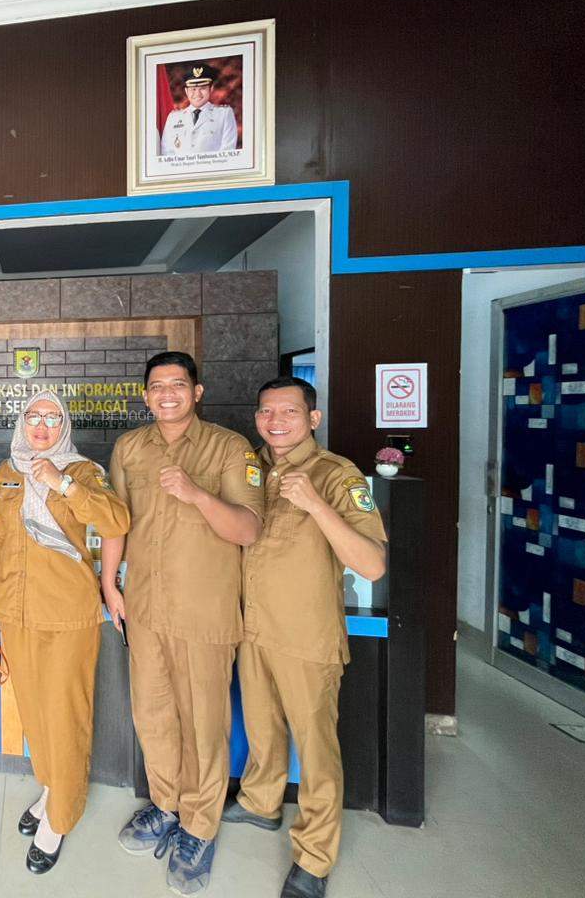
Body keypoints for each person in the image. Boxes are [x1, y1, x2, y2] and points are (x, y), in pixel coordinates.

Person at [102, 351, 263, 896]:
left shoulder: (230, 448)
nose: (166, 393)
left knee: (203, 724)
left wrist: (195, 493)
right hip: (145, 608)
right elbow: (116, 522)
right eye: (157, 385)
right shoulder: (130, 448)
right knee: (152, 715)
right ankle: (166, 804)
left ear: (197, 392)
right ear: (145, 395)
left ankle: (200, 826)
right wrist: (109, 584)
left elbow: (248, 529)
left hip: (203, 612)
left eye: (177, 384)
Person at [221, 377, 387, 898]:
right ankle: (260, 801)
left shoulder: (336, 474)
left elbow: (372, 564)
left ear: (313, 419)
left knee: (316, 749)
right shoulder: (248, 467)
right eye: (266, 411)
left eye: (289, 412)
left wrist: (316, 505)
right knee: (262, 725)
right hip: (252, 628)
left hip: (306, 636)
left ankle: (314, 857)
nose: (275, 421)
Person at [0, 390, 130, 875]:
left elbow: (117, 521)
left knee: (66, 715)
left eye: (52, 418)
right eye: (34, 417)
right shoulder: (8, 471)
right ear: (22, 422)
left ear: (63, 424)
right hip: (17, 612)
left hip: (67, 614)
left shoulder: (83, 471)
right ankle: (51, 788)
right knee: (34, 711)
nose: (42, 426)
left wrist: (61, 483)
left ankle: (61, 817)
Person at [159, 64, 238, 157]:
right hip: (181, 166)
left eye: (203, 88)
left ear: (211, 89)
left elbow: (228, 151)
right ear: (186, 91)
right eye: (193, 89)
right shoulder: (173, 118)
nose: (197, 93)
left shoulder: (224, 114)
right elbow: (167, 153)